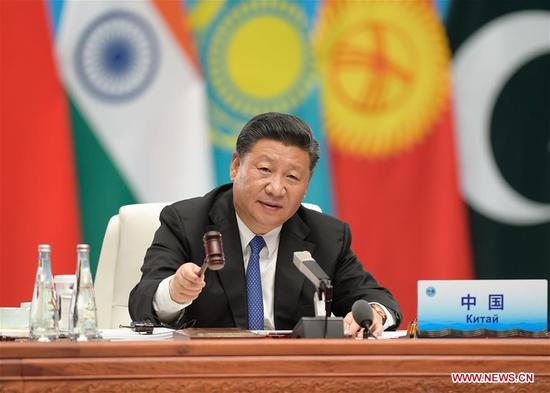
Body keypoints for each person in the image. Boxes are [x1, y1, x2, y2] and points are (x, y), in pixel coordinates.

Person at [129, 112, 401, 336]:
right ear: (236, 166)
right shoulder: (187, 222)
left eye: (293, 177)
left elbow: (377, 298)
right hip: (207, 372)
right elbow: (142, 300)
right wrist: (174, 293)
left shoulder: (327, 236)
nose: (276, 188)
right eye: (265, 170)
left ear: (306, 186)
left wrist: (374, 313)